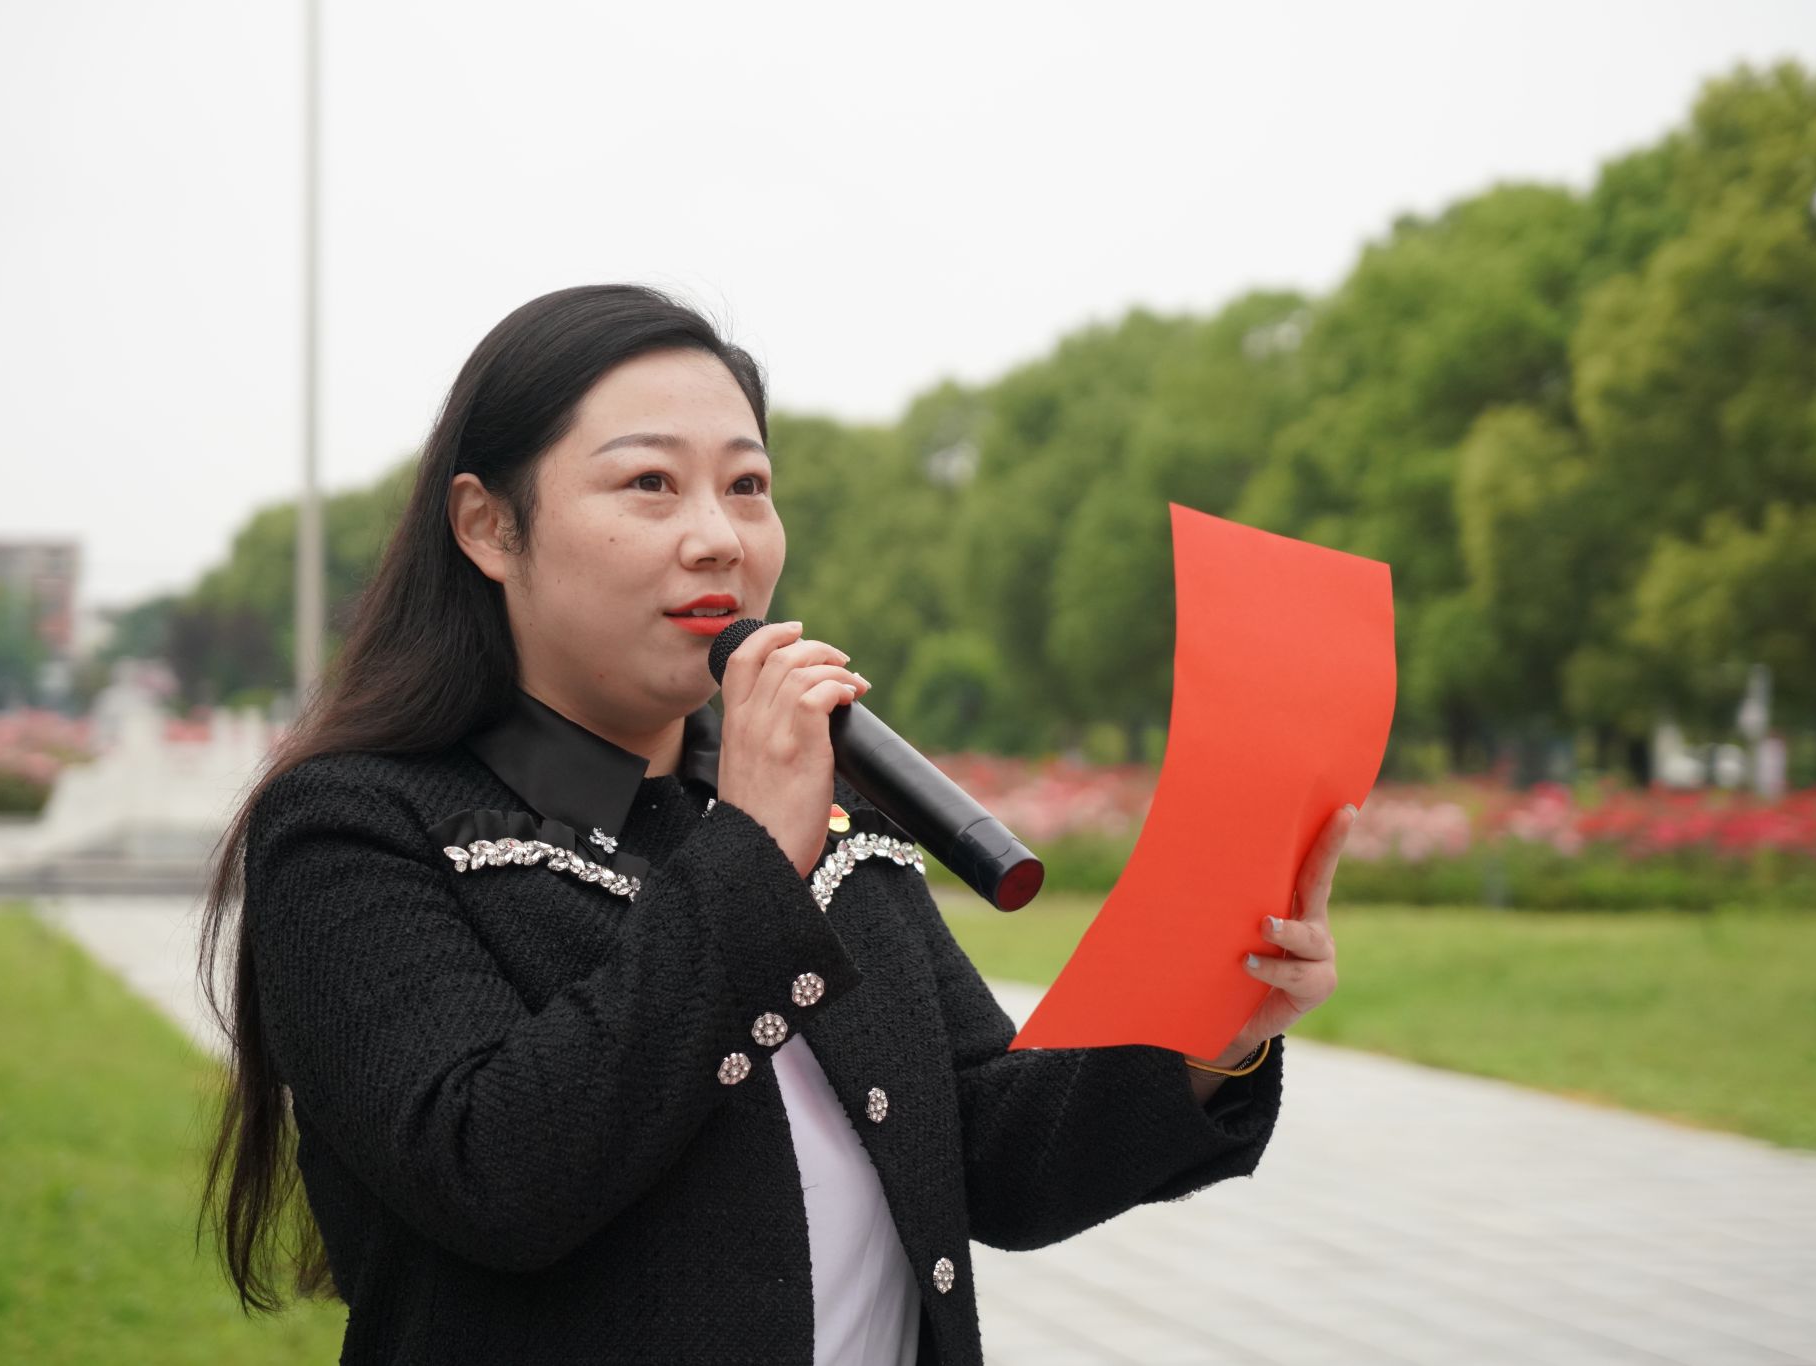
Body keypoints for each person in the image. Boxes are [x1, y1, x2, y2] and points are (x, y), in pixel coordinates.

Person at [197, 284, 1349, 1365]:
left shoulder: (824, 817)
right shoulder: (352, 826)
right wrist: (750, 852)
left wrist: (1209, 1026)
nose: (719, 536)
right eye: (650, 483)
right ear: (488, 526)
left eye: (746, 485)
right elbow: (493, 1175)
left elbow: (990, 1154)